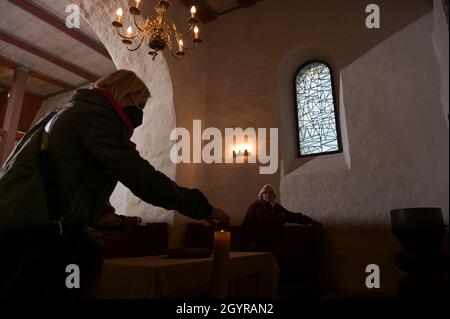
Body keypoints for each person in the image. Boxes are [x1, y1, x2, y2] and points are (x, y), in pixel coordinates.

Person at [0, 69, 229, 299]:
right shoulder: (97, 116)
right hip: (34, 230)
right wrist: (202, 208)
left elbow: (66, 173)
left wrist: (96, 208)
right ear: (122, 94)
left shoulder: (73, 111)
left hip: (24, 220)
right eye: (138, 104)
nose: (139, 113)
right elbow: (141, 177)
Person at [240, 184, 316, 262]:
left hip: (277, 245)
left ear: (274, 195)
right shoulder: (255, 207)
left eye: (270, 192)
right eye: (265, 192)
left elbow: (292, 216)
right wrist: (249, 241)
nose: (268, 194)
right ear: (261, 195)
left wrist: (310, 221)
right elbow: (247, 224)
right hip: (261, 245)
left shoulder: (278, 209)